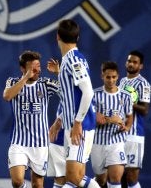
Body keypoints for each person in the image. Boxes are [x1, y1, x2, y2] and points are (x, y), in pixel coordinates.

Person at [3, 50, 60, 188]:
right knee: (17, 181)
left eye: (39, 67)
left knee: (37, 184)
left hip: (40, 144)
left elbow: (69, 91)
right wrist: (25, 78)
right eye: (33, 68)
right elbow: (7, 96)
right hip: (19, 142)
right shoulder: (13, 81)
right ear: (23, 68)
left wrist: (59, 73)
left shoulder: (45, 84)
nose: (37, 71)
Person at [56, 19, 100, 188]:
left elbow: (88, 91)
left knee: (73, 178)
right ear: (78, 37)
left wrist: (77, 122)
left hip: (80, 126)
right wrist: (59, 121)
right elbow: (69, 96)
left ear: (57, 37)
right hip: (71, 125)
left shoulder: (74, 60)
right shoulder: (68, 60)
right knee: (77, 178)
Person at [91, 61, 134, 188]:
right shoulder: (94, 95)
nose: (111, 80)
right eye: (108, 77)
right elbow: (91, 119)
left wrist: (127, 127)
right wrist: (110, 119)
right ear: (102, 76)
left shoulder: (125, 95)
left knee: (115, 179)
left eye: (114, 77)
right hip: (97, 143)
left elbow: (130, 116)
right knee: (101, 181)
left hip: (116, 142)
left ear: (118, 76)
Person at [119, 50, 151, 188]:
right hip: (119, 134)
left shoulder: (143, 84)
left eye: (135, 62)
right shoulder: (122, 81)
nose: (131, 64)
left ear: (141, 66)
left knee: (131, 176)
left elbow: (145, 110)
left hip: (134, 135)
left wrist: (127, 102)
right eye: (129, 61)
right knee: (118, 174)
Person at [47, 103, 66, 188]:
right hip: (59, 142)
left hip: (75, 144)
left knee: (76, 179)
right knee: (61, 179)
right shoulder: (67, 96)